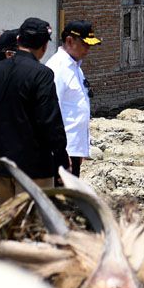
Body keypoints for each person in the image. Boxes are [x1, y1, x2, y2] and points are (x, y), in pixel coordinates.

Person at [0, 17, 69, 207]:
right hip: (34, 169)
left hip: (2, 165)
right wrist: (61, 158)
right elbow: (49, 121)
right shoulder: (42, 74)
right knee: (33, 223)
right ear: (44, 46)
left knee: (6, 222)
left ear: (18, 40)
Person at [46, 20, 100, 179]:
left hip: (73, 148)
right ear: (70, 41)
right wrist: (60, 152)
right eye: (85, 44)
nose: (88, 49)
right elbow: (52, 111)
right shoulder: (58, 68)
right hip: (63, 149)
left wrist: (80, 148)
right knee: (60, 194)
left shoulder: (75, 67)